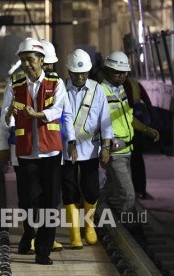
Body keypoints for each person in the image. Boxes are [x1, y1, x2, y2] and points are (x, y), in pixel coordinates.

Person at [3, 38, 76, 265]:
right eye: (22, 60)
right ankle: (30, 230)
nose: (26, 64)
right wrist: (7, 124)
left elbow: (60, 110)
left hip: (51, 153)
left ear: (42, 61)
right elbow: (5, 117)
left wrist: (37, 115)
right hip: (25, 153)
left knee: (50, 203)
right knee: (28, 200)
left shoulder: (56, 84)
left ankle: (42, 251)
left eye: (30, 59)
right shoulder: (15, 86)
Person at [99, 51, 159, 239]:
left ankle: (90, 211)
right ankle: (131, 232)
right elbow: (98, 122)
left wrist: (146, 129)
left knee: (109, 187)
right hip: (114, 151)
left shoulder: (121, 90)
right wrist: (106, 147)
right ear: (108, 70)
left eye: (124, 72)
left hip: (127, 149)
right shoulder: (101, 92)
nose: (122, 76)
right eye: (117, 72)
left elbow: (129, 117)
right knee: (128, 194)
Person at [61, 49, 113, 249]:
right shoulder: (62, 89)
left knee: (91, 190)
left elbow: (105, 120)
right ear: (69, 72)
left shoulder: (97, 90)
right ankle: (74, 233)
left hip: (91, 149)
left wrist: (106, 146)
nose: (80, 77)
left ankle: (88, 226)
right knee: (69, 190)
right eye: (76, 73)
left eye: (84, 73)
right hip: (66, 151)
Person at [123, 77, 155, 199]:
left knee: (124, 161)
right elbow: (147, 102)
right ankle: (140, 190)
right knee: (136, 159)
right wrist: (152, 120)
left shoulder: (113, 85)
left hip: (128, 128)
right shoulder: (135, 84)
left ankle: (133, 191)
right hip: (133, 129)